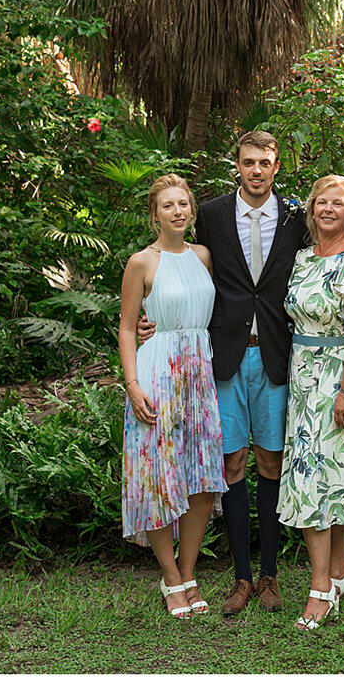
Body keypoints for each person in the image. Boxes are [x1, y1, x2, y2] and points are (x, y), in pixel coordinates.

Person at [199, 129, 307, 616]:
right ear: (237, 165)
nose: (256, 170)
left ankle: (270, 576)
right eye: (248, 162)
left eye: (265, 162)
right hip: (227, 355)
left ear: (277, 166)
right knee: (232, 466)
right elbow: (186, 268)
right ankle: (240, 578)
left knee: (271, 463)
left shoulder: (297, 217)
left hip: (276, 357)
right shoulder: (212, 215)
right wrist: (150, 315)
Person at [276, 174, 344, 631]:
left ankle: (319, 589)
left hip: (338, 378)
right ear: (312, 208)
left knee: (314, 482)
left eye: (337, 203)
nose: (327, 209)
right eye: (321, 202)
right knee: (327, 480)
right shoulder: (302, 259)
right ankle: (338, 574)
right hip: (302, 378)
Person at [117, 174, 228, 618]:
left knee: (201, 478)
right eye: (168, 205)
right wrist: (132, 384)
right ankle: (169, 575)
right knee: (159, 477)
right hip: (157, 373)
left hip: (200, 374)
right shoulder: (142, 262)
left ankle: (187, 571)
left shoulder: (203, 256)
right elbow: (128, 326)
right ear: (154, 214)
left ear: (192, 210)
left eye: (184, 203)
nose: (178, 211)